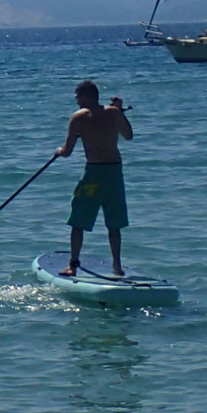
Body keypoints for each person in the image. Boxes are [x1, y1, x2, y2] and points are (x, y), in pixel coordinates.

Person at [55, 79, 133, 277]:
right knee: (114, 223)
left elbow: (67, 151)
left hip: (94, 175)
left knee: (78, 220)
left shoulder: (78, 118)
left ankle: (73, 265)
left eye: (78, 96)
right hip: (114, 173)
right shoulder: (114, 113)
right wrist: (119, 110)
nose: (77, 101)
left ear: (88, 96)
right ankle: (117, 265)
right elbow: (128, 135)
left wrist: (58, 151)